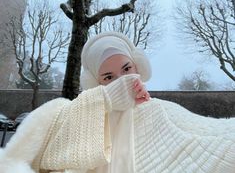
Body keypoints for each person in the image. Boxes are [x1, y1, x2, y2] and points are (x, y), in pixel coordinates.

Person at [0, 32, 235, 173]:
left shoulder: (159, 107)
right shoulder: (82, 112)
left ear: (137, 66)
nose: (121, 81)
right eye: (109, 78)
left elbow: (206, 134)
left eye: (127, 69)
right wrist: (107, 100)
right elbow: (47, 146)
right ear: (97, 82)